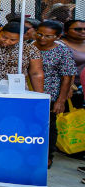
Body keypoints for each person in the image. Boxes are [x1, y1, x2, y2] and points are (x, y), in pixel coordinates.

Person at [32, 20, 77, 167]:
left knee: (48, 125)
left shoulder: (62, 51)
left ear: (58, 36)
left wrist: (60, 101)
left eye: (48, 36)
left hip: (50, 94)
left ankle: (47, 156)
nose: (42, 38)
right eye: (39, 34)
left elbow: (67, 76)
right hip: (28, 92)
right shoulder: (29, 47)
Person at [62, 19, 85, 108]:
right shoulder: (59, 45)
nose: (83, 31)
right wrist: (68, 85)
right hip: (67, 86)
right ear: (66, 31)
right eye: (78, 29)